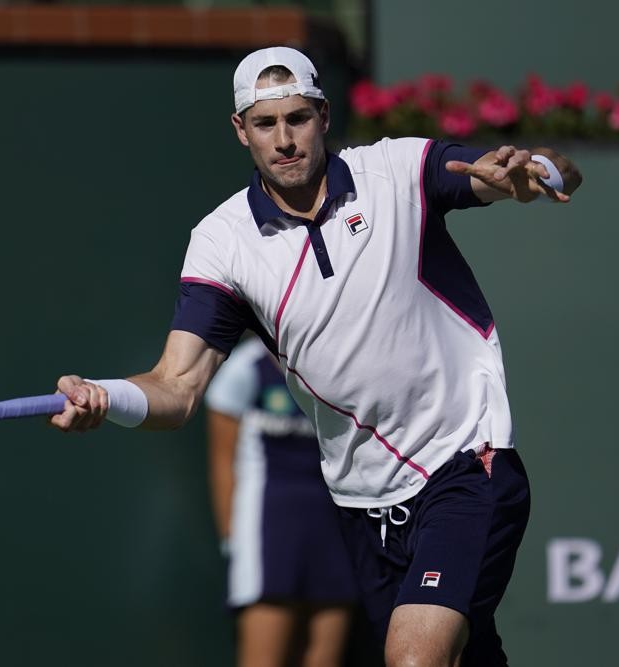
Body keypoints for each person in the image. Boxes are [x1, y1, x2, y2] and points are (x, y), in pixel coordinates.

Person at [50, 46, 582, 666]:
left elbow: (553, 171)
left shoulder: (397, 170)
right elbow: (177, 386)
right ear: (239, 129)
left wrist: (537, 170)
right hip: (363, 503)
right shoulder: (221, 243)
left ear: (324, 116)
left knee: (414, 658)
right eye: (265, 123)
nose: (284, 140)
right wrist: (106, 397)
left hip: (465, 462)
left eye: (297, 118)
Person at [206, 336, 355, 667]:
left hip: (333, 522)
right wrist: (233, 541)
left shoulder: (338, 367)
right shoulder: (244, 369)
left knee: (324, 657)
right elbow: (222, 463)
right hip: (267, 524)